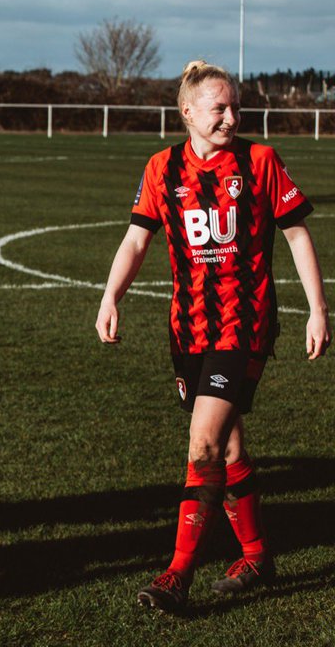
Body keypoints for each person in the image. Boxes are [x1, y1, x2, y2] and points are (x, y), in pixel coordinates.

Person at [95, 60, 330, 614]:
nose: (231, 117)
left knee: (202, 442)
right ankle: (256, 555)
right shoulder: (161, 167)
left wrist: (317, 309)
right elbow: (135, 242)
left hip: (244, 324)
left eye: (235, 108)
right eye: (219, 108)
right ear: (188, 113)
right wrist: (110, 297)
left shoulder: (260, 160)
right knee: (226, 445)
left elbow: (297, 235)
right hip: (188, 328)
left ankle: (177, 573)